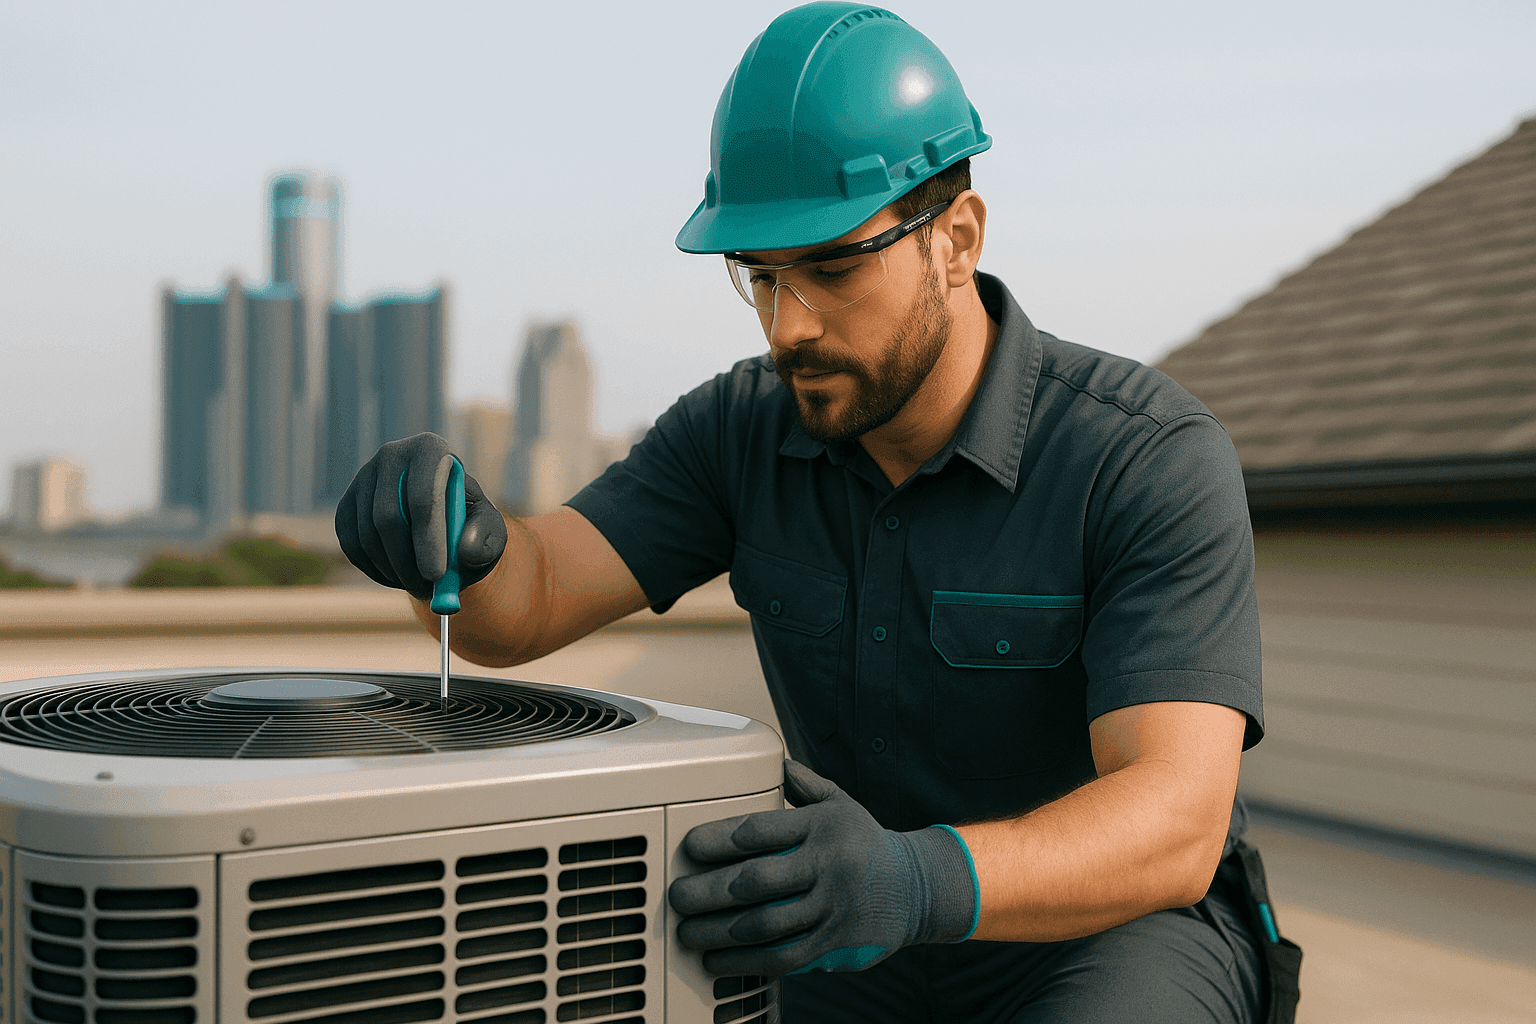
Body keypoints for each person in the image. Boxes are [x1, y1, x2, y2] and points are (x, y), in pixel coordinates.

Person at [336, 3, 1301, 1021]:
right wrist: (449, 536)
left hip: (1105, 932)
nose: (789, 324)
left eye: (832, 270)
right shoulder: (740, 430)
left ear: (956, 240)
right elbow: (521, 602)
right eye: (760, 276)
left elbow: (1174, 824)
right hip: (845, 931)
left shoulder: (1141, 457)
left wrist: (911, 880)